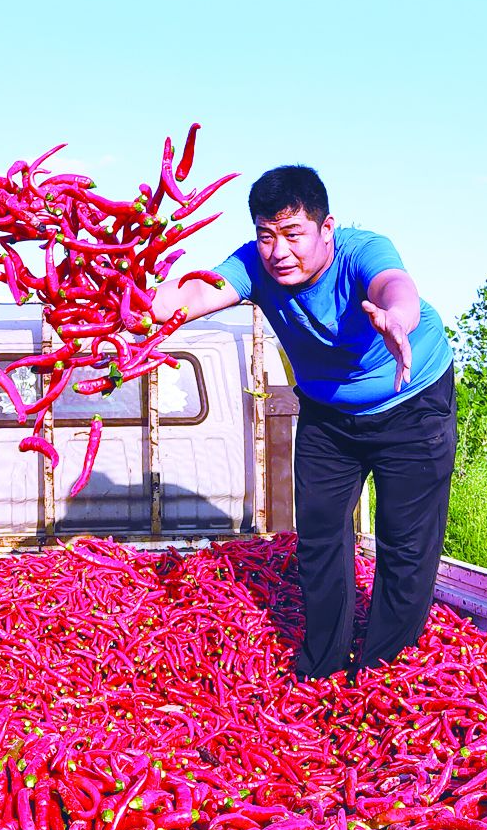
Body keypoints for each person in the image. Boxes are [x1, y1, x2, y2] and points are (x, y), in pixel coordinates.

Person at [150, 164, 456, 679]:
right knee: (319, 536)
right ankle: (325, 665)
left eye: (293, 234)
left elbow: (396, 285)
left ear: (326, 229)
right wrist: (126, 301)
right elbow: (193, 296)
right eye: (266, 236)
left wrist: (395, 321)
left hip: (411, 400)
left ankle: (384, 668)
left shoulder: (363, 250)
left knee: (405, 541)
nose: (279, 251)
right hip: (328, 414)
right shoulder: (253, 267)